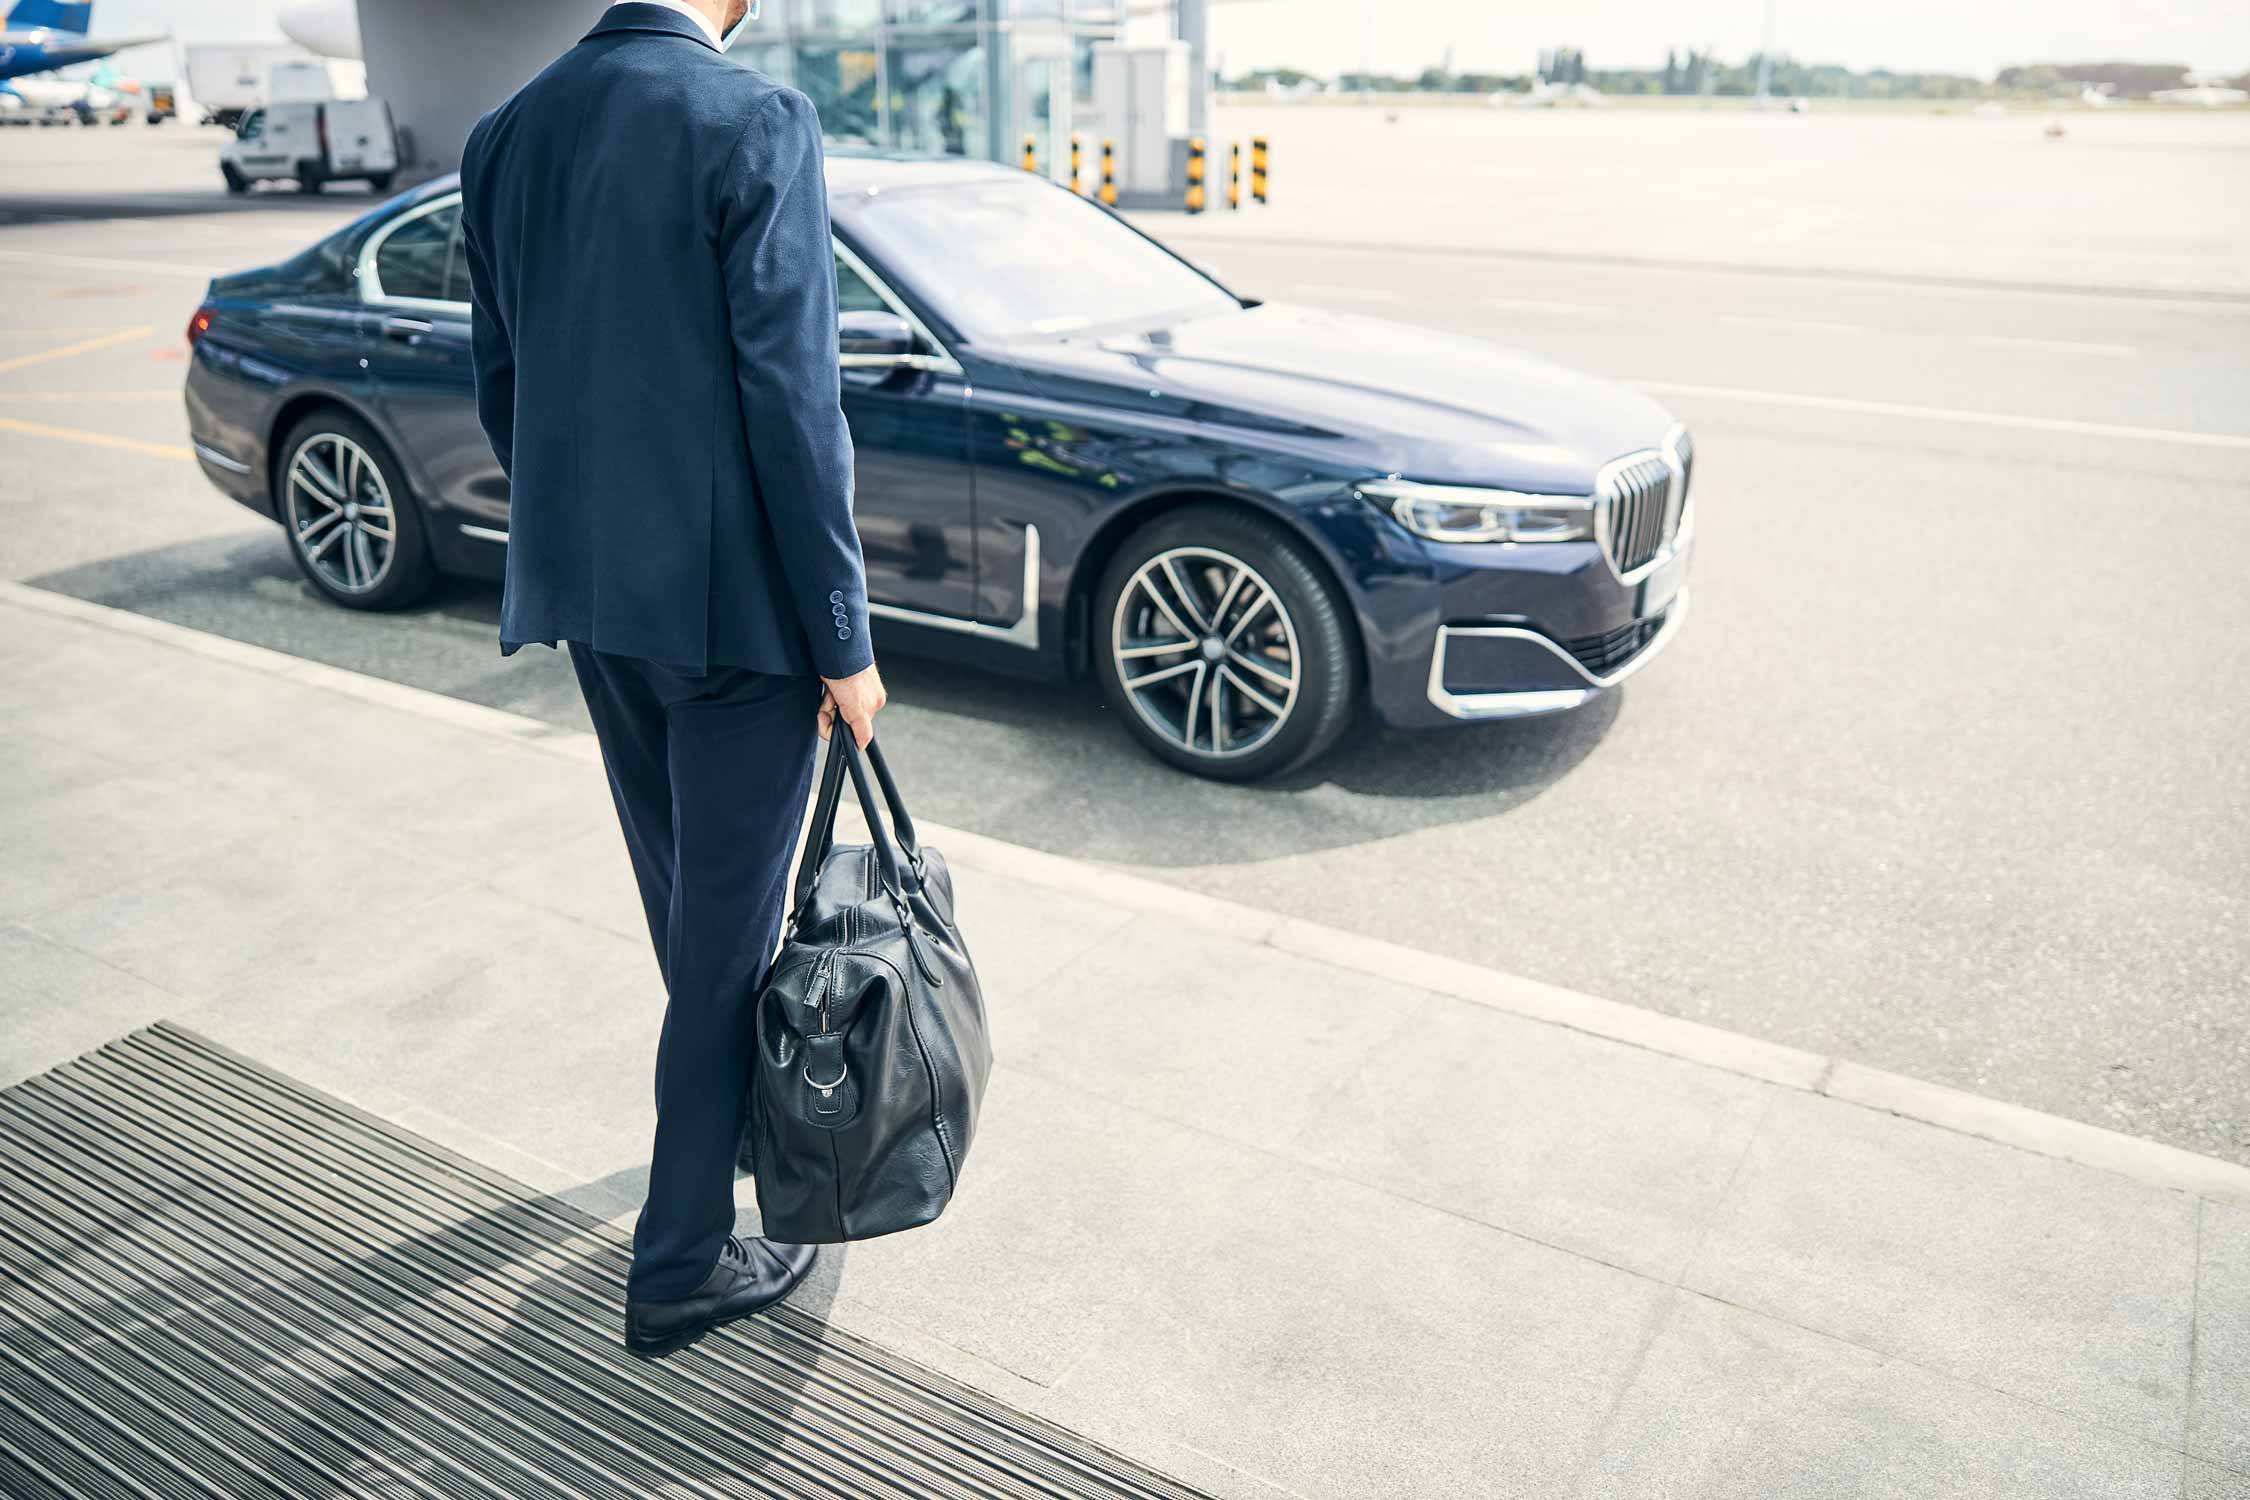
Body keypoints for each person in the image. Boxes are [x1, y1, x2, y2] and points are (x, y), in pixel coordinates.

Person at [458, 0, 887, 1358]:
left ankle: (722, 1145)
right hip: (740, 625)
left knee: (692, 923)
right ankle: (679, 1260)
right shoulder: (754, 119)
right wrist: (845, 638)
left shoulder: (506, 132)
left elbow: (502, 380)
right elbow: (794, 401)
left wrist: (588, 551)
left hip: (600, 607)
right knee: (720, 950)